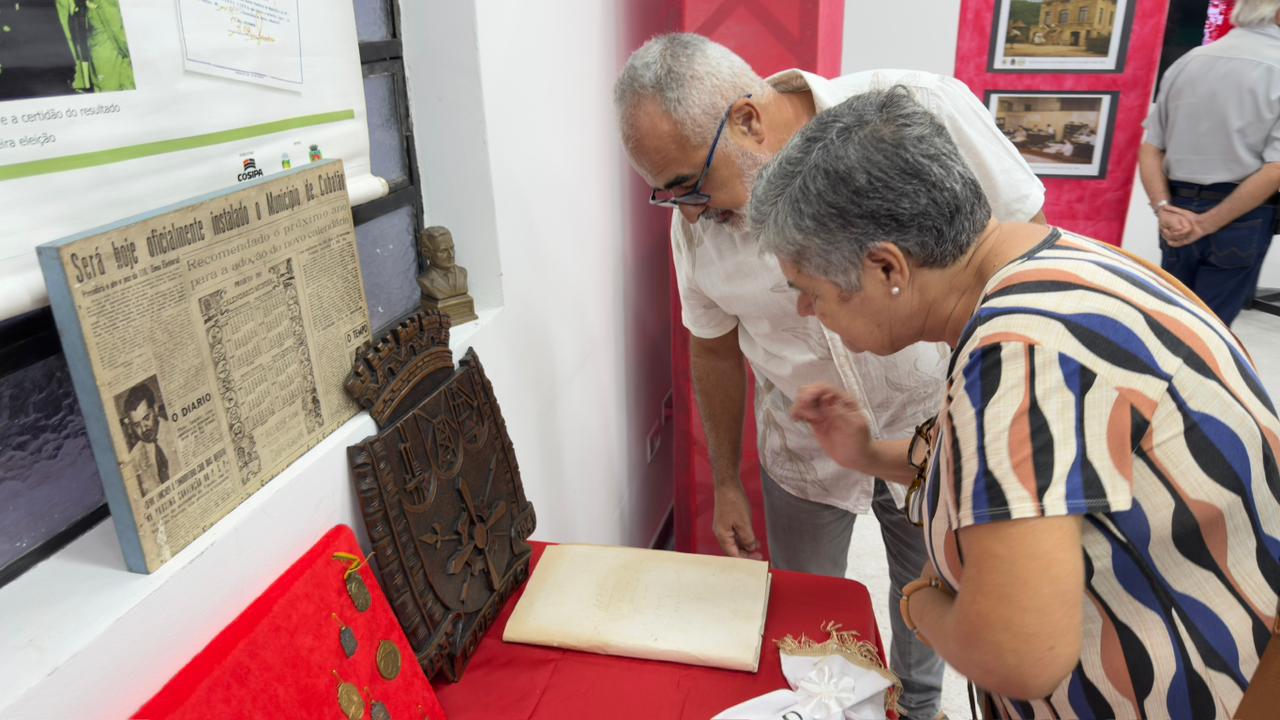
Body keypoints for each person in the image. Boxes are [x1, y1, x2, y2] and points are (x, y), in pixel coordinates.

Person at [751, 85, 1280, 719]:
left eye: (809, 289)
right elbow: (1012, 469)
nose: (805, 309)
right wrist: (868, 455)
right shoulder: (1059, 266)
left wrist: (920, 603)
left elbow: (1018, 656)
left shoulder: (1022, 353)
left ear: (888, 269)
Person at [613, 33, 1046, 719]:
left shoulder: (921, 111)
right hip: (809, 450)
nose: (689, 210)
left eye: (690, 185)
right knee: (811, 620)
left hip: (938, 424)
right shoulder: (697, 223)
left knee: (932, 586)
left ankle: (918, 708)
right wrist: (725, 481)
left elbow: (1023, 257)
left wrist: (999, 434)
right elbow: (713, 347)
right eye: (666, 196)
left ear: (748, 120)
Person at [1139, 0, 1280, 326]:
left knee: (1170, 323)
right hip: (1241, 216)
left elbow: (1150, 148)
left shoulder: (1189, 60)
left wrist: (1163, 208)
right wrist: (1205, 224)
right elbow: (1275, 169)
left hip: (1177, 210)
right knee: (1211, 332)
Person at [122, 381, 172, 496]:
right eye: (136, 425)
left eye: (146, 418)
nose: (143, 428)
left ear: (155, 409)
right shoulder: (134, 458)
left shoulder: (175, 430)